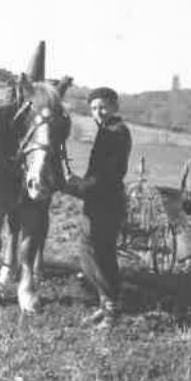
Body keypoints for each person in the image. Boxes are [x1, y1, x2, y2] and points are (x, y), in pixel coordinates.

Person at [62, 87, 132, 329]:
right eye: (93, 108)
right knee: (89, 252)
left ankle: (112, 311)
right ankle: (104, 305)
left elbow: (108, 174)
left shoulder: (117, 132)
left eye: (102, 107)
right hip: (98, 201)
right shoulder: (107, 130)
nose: (97, 112)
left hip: (107, 201)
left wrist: (78, 186)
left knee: (101, 255)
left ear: (115, 107)